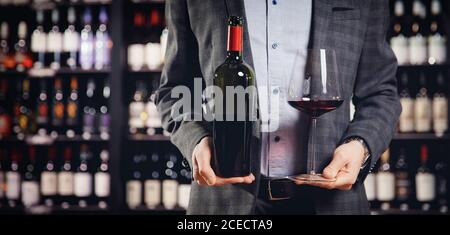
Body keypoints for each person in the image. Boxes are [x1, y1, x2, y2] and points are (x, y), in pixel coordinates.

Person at [156, 0, 401, 215]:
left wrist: (361, 145)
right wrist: (197, 140)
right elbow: (173, 91)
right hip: (224, 201)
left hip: (330, 201)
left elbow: (381, 93)